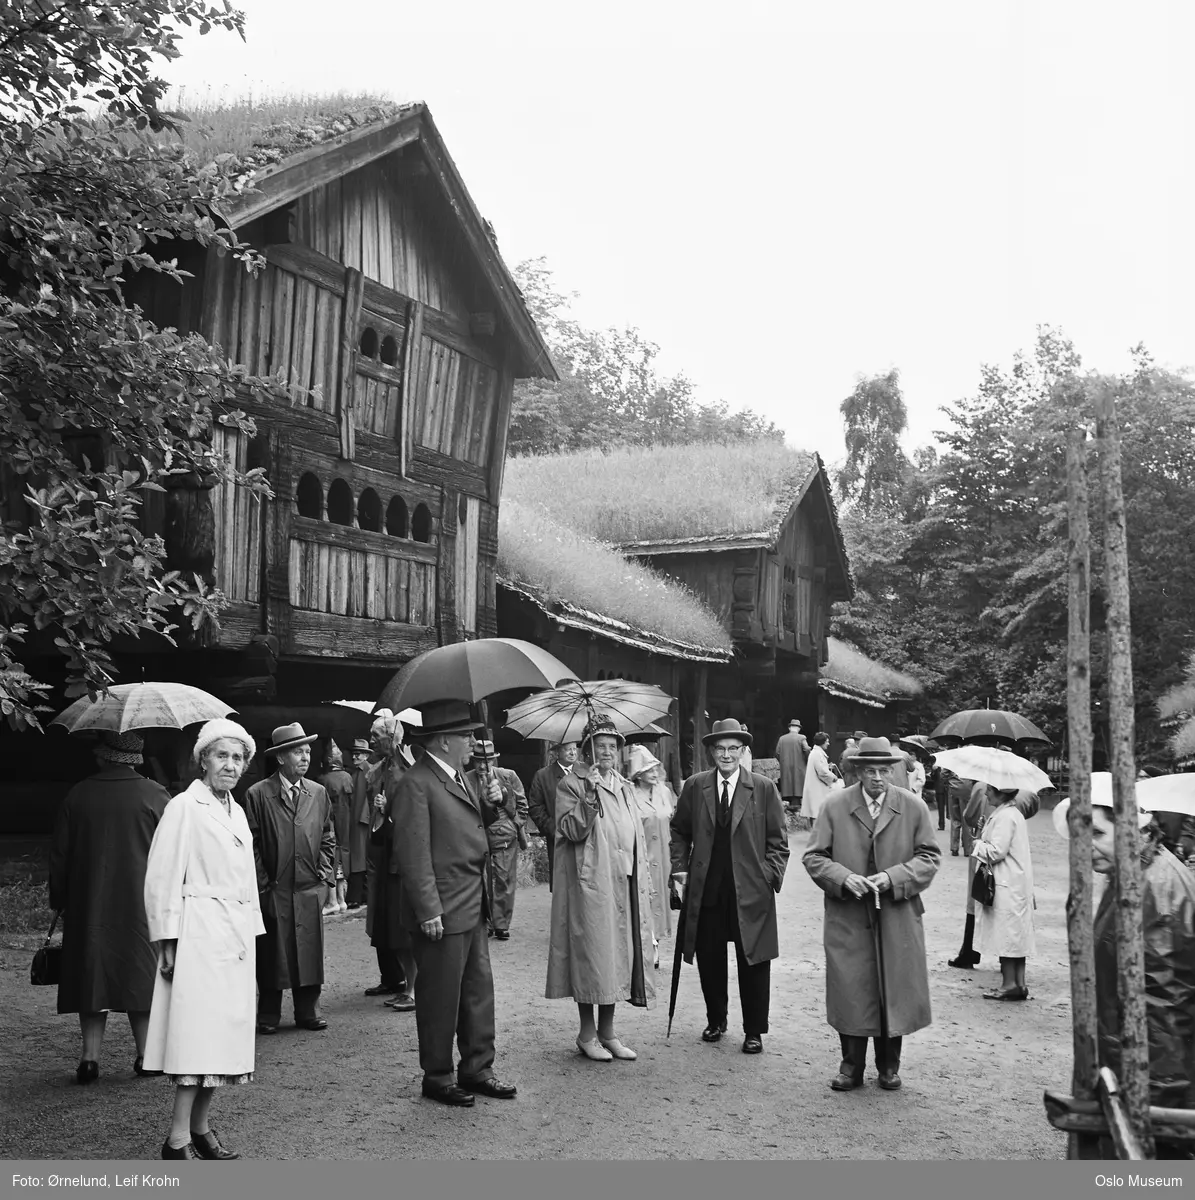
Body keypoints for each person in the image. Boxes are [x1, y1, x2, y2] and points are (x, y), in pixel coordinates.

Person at [142, 719, 264, 1160]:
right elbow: (161, 877)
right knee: (197, 1039)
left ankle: (201, 1129)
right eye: (222, 756)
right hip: (198, 932)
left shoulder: (237, 809)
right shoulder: (184, 807)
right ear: (203, 760)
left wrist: (252, 934)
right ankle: (176, 1139)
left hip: (234, 938)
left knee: (226, 1039)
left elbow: (247, 880)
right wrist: (168, 941)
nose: (231, 765)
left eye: (238, 758)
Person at [391, 700, 517, 1107]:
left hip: (470, 901)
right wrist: (428, 909)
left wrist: (494, 802)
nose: (472, 742)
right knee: (441, 995)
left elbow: (474, 822)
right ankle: (438, 1074)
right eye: (466, 735)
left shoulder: (457, 774)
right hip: (442, 909)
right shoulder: (416, 782)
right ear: (444, 740)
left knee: (478, 991)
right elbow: (412, 853)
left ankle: (478, 1068)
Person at [1055, 790, 1195, 1151]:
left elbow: (1165, 1010)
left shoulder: (1157, 890)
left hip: (1146, 1079)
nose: (1085, 847)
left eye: (1097, 834)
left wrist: (1157, 1099)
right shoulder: (1131, 873)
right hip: (1120, 1063)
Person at [803, 736, 940, 1092]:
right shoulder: (835, 806)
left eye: (884, 770)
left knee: (892, 987)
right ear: (857, 771)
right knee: (851, 987)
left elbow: (929, 857)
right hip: (848, 914)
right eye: (870, 770)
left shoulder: (913, 807)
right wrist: (844, 877)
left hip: (897, 913)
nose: (878, 777)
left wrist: (894, 877)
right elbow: (814, 857)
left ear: (893, 770)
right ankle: (850, 1066)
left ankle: (889, 1066)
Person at [48, 730, 171, 1085]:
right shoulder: (156, 795)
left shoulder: (79, 794)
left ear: (103, 756)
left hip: (90, 904)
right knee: (141, 976)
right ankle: (147, 1056)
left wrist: (61, 899)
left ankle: (89, 1058)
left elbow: (60, 856)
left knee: (92, 977)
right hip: (142, 905)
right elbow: (173, 853)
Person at [670, 718, 789, 1055]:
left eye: (733, 749)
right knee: (709, 957)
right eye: (720, 749)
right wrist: (680, 871)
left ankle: (754, 1030)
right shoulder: (695, 785)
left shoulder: (763, 788)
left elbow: (779, 842)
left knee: (754, 960)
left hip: (751, 890)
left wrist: (768, 877)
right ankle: (716, 1019)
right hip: (707, 888)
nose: (726, 755)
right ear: (711, 752)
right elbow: (679, 830)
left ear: (743, 751)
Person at [547, 716, 655, 1062]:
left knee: (617, 956)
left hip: (623, 880)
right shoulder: (573, 784)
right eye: (600, 746)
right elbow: (569, 830)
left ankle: (608, 1032)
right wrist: (590, 796)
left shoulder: (623, 784)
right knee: (592, 955)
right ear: (586, 750)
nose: (607, 752)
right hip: (591, 884)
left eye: (613, 746)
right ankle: (586, 1033)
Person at [243, 723, 336, 1034]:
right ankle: (268, 1015)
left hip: (309, 886)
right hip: (275, 888)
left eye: (308, 751)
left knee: (308, 950)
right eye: (298, 751)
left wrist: (324, 878)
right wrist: (262, 885)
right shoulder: (258, 794)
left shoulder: (319, 792)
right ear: (281, 757)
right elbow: (251, 843)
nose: (305, 757)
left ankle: (308, 1011)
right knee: (272, 952)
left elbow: (328, 836)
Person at [368, 710, 418, 1012]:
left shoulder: (405, 772)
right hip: (387, 858)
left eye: (376, 735)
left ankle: (413, 990)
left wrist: (388, 811)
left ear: (391, 737)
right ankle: (407, 986)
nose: (372, 739)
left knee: (404, 929)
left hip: (402, 862)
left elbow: (411, 819)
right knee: (393, 929)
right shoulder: (385, 768)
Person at [970, 786, 1035, 1000]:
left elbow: (997, 851)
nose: (986, 794)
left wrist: (978, 844)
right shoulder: (1011, 814)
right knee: (1017, 933)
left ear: (1000, 793)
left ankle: (1009, 984)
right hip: (1015, 882)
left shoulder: (1005, 816)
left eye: (990, 790)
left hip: (1007, 881)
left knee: (1007, 933)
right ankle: (1019, 983)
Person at [466, 740, 528, 941]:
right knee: (481, 880)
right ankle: (486, 922)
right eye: (478, 761)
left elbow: (522, 805)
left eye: (487, 760)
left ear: (494, 759)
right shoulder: (466, 779)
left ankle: (501, 924)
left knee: (504, 880)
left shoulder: (508, 777)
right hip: (477, 836)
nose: (483, 766)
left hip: (505, 837)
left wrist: (514, 825)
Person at [628, 744, 677, 969]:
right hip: (641, 856)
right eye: (649, 770)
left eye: (656, 768)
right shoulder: (629, 794)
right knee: (643, 902)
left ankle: (655, 942)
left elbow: (674, 822)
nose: (655, 773)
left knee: (660, 901)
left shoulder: (664, 792)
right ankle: (647, 945)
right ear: (638, 773)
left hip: (664, 858)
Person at [948, 779, 997, 969]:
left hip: (983, 846)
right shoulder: (1020, 789)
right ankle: (1006, 958)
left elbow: (968, 817)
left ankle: (968, 951)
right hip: (1008, 850)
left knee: (975, 899)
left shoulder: (982, 786)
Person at [527, 742, 578, 892]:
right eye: (567, 749)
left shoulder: (586, 771)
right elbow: (535, 807)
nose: (572, 753)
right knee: (562, 886)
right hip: (559, 838)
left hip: (586, 836)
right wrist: (552, 828)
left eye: (575, 749)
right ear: (557, 752)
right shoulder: (543, 775)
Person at [317, 742, 353, 915]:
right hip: (346, 825)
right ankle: (342, 900)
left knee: (330, 856)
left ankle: (332, 901)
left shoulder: (323, 780)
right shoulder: (348, 777)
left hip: (330, 824)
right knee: (341, 857)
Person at [345, 738, 373, 909]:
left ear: (365, 755)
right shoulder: (356, 772)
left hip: (362, 822)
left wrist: (365, 818)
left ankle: (359, 896)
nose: (355, 757)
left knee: (359, 857)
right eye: (354, 754)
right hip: (356, 819)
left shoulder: (367, 771)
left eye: (358, 754)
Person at [802, 732, 839, 824]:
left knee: (816, 812)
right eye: (827, 741)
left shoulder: (816, 753)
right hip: (816, 789)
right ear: (822, 742)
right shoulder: (818, 754)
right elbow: (822, 772)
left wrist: (828, 766)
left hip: (814, 787)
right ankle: (816, 836)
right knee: (817, 813)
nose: (828, 743)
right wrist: (834, 777)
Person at [775, 719, 810, 814]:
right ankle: (797, 811)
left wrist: (783, 762)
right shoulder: (801, 738)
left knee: (787, 786)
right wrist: (806, 761)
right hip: (799, 768)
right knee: (798, 787)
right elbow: (806, 750)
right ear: (798, 728)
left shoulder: (782, 739)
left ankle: (788, 810)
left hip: (786, 768)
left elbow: (777, 752)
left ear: (789, 728)